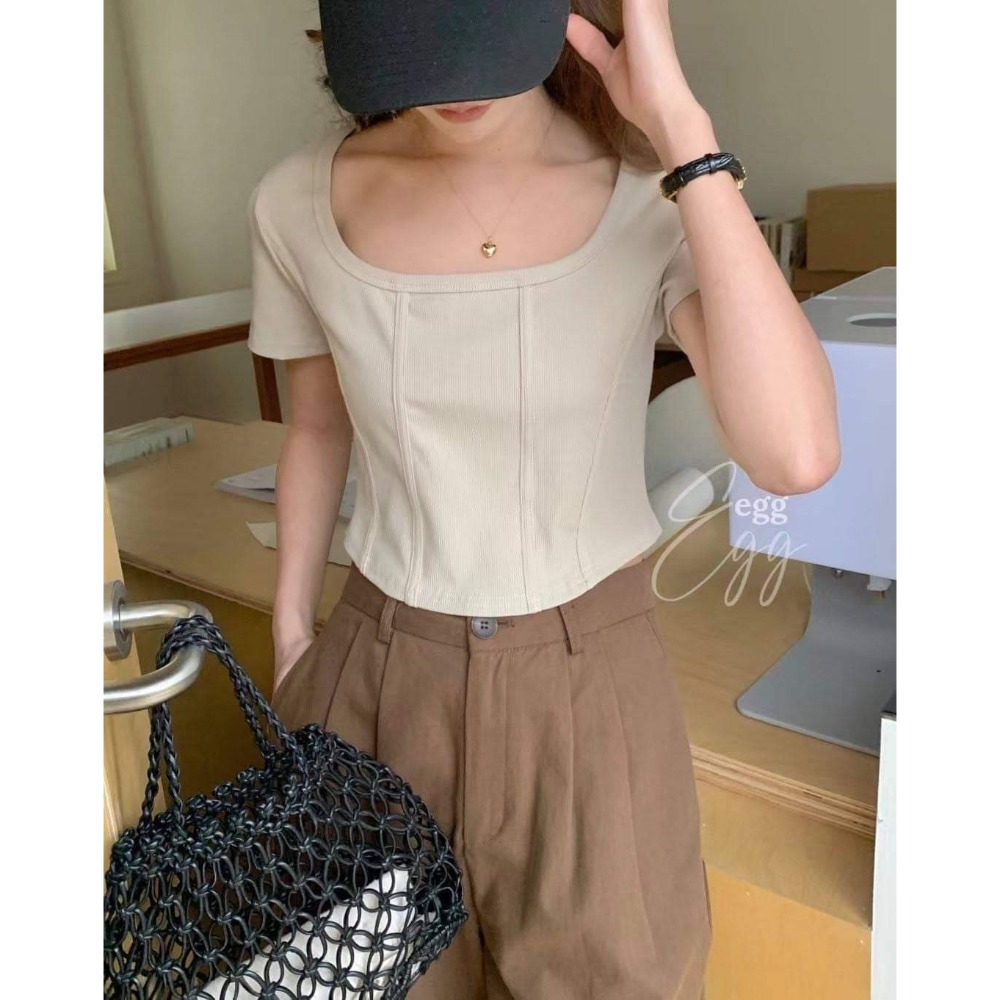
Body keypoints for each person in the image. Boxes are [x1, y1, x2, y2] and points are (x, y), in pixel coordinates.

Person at [246, 1, 841, 997]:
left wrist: (681, 129)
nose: (458, 80)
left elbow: (796, 454)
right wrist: (292, 639)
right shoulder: (295, 202)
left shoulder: (651, 193)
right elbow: (315, 427)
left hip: (592, 692)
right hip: (374, 679)